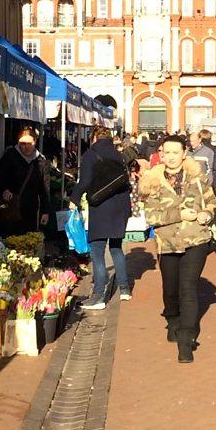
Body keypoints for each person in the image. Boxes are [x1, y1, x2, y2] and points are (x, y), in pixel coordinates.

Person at [139, 135, 216, 363]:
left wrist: (207, 214)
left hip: (196, 240)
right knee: (171, 289)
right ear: (161, 155)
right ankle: (172, 318)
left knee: (188, 288)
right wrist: (178, 215)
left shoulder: (198, 177)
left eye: (176, 152)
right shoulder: (152, 181)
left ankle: (186, 340)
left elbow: (211, 202)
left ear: (185, 153)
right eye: (168, 153)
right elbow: (151, 216)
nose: (172, 157)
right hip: (168, 243)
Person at [70, 127, 132, 310]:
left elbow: (86, 181)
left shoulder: (90, 155)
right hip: (120, 206)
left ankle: (98, 296)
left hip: (101, 207)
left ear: (94, 137)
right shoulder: (119, 155)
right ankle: (124, 289)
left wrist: (74, 198)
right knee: (116, 247)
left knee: (97, 250)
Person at [0, 129, 50, 237]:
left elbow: (44, 189)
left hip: (30, 211)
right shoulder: (10, 156)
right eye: (23, 144)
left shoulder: (41, 161)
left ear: (35, 142)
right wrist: (4, 189)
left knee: (28, 242)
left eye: (29, 143)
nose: (26, 147)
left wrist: (45, 211)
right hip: (10, 208)